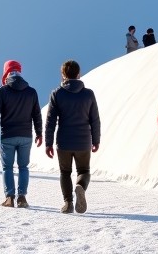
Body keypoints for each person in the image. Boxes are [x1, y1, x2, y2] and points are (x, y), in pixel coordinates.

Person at [45, 59, 101, 215]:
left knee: (65, 173)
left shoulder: (57, 94)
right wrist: (96, 140)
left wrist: (48, 143)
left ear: (63, 75)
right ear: (78, 74)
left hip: (64, 141)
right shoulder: (88, 94)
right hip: (83, 140)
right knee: (84, 171)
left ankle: (68, 203)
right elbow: (94, 119)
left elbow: (50, 121)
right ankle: (81, 187)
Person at [0, 60, 43, 208]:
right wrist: (39, 133)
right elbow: (36, 115)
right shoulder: (31, 91)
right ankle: (22, 198)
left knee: (7, 167)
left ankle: (9, 198)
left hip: (8, 135)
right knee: (23, 167)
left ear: (6, 72)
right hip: (26, 135)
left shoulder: (2, 91)